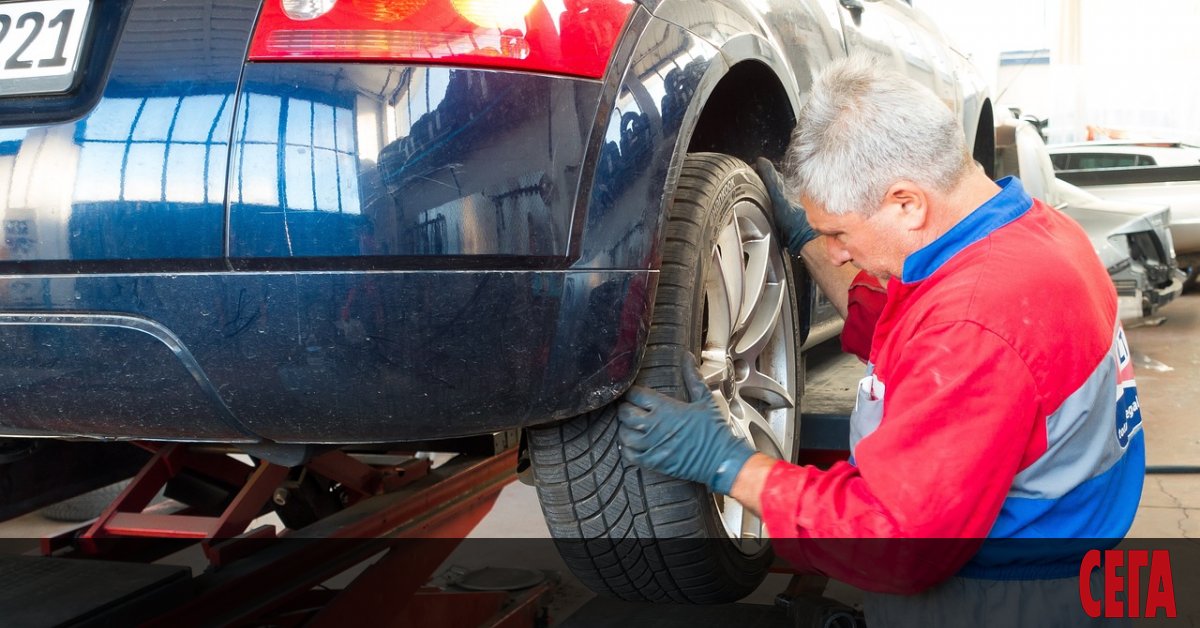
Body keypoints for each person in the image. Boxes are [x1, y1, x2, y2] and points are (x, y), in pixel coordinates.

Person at [617, 56, 1144, 624]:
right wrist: (808, 240)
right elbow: (915, 326)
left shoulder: (974, 325)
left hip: (993, 599)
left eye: (839, 233)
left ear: (906, 202)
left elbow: (897, 543)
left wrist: (730, 466)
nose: (838, 251)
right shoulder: (1034, 230)